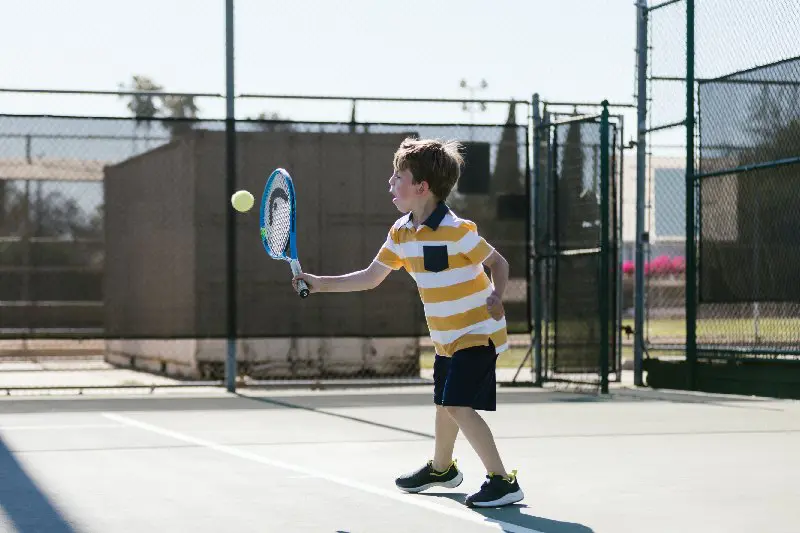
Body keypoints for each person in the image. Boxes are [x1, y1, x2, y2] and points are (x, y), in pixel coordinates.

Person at [292, 137, 524, 508]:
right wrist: (318, 284)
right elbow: (370, 277)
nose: (390, 182)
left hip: (478, 330)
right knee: (444, 404)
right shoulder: (400, 233)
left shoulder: (459, 230)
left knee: (458, 403)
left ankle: (502, 480)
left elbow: (499, 263)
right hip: (445, 336)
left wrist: (497, 295)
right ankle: (442, 469)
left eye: (398, 175)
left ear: (422, 187)